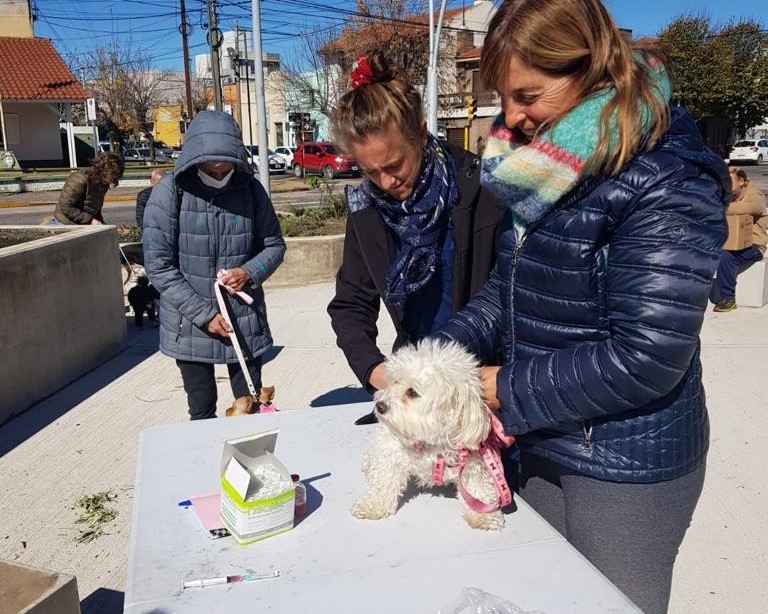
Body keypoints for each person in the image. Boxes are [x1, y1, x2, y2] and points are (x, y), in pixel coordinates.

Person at [433, 1, 729, 612]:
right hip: (543, 435)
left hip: (626, 462)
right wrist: (437, 357)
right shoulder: (544, 169)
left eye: (527, 95)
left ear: (590, 71)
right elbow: (508, 292)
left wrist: (500, 389)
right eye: (502, 95)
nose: (510, 117)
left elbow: (648, 356)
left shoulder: (665, 177)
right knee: (542, 599)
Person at [326, 52, 503, 402]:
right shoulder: (366, 212)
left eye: (394, 165)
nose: (386, 181)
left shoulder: (482, 189)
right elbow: (351, 304)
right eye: (370, 172)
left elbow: (506, 295)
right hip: (416, 391)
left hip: (483, 383)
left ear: (420, 133)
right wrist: (376, 370)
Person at [143, 110, 286, 421]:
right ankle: (206, 465)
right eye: (212, 163)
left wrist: (249, 271)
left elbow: (274, 245)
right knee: (202, 409)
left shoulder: (250, 189)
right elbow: (159, 265)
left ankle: (248, 467)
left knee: (249, 405)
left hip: (243, 319)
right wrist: (204, 315)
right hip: (190, 322)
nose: (220, 170)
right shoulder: (171, 191)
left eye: (226, 163)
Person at [711, 166, 767, 312]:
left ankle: (728, 298)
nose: (725, 185)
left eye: (729, 181)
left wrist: (716, 207)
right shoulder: (728, 196)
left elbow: (745, 208)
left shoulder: (756, 196)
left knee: (727, 255)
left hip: (754, 246)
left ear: (741, 181)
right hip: (730, 241)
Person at [53, 152, 124, 225]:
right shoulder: (79, 180)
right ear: (103, 170)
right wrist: (90, 221)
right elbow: (65, 207)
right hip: (65, 223)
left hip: (83, 222)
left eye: (117, 175)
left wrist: (101, 223)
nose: (114, 178)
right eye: (113, 174)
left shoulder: (103, 183)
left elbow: (94, 207)